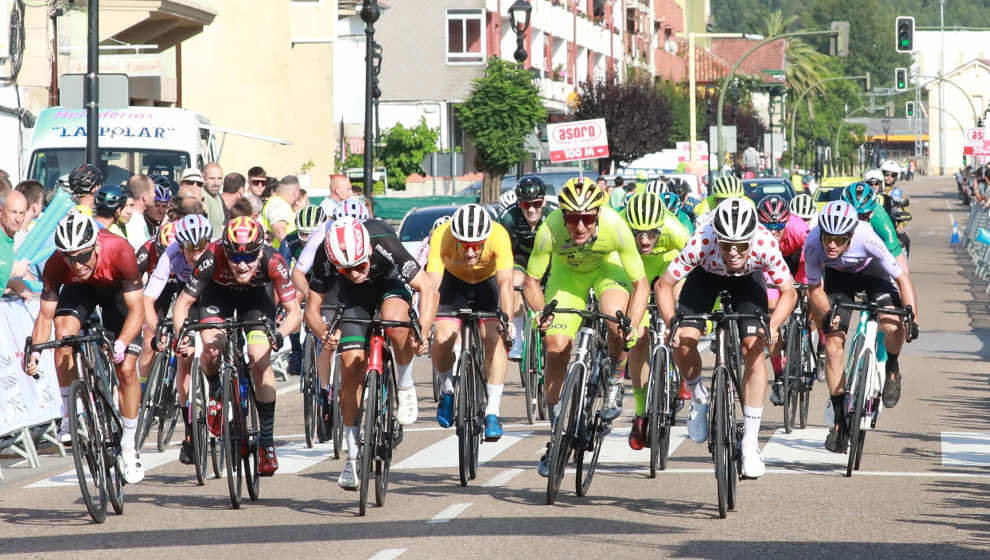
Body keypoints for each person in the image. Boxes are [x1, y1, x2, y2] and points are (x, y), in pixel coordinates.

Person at [656, 199, 797, 478]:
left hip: (747, 282)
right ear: (716, 237)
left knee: (754, 347)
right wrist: (672, 323)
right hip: (705, 278)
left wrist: (775, 325)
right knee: (683, 340)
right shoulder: (702, 241)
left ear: (751, 240)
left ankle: (750, 444)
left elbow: (789, 292)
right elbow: (664, 285)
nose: (733, 253)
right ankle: (698, 396)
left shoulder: (765, 244)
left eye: (741, 246)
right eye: (726, 245)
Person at [525, 178, 649, 476]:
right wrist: (541, 312)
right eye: (572, 219)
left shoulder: (615, 227)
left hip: (608, 269)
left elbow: (640, 284)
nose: (579, 227)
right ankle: (557, 435)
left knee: (615, 321)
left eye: (587, 219)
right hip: (568, 278)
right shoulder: (550, 229)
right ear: (563, 215)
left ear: (598, 214)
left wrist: (631, 323)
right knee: (555, 347)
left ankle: (616, 379)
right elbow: (531, 281)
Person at [304, 216, 436, 489]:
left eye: (360, 265)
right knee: (351, 366)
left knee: (396, 323)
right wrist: (323, 334)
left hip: (389, 284)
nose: (355, 273)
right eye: (346, 269)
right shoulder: (326, 254)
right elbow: (312, 310)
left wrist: (422, 330)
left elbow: (428, 288)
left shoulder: (381, 239)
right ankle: (352, 457)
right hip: (354, 300)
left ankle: (404, 383)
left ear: (367, 251)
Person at [171, 217, 301, 476]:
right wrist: (181, 337)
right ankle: (217, 390)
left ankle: (266, 443)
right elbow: (183, 304)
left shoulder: (273, 261)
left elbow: (294, 312)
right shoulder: (211, 256)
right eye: (234, 258)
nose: (242, 265)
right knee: (210, 347)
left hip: (256, 301)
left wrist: (279, 333)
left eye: (249, 258)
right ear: (225, 251)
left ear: (260, 250)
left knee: (259, 358)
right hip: (218, 297)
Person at [25, 212, 145, 483]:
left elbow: (137, 311)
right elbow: (45, 317)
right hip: (81, 291)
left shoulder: (120, 252)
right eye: (69, 257)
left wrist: (122, 342)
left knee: (126, 368)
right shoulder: (58, 264)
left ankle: (128, 443)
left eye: (81, 256)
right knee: (64, 335)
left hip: (116, 292)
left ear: (95, 246)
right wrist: (36, 349)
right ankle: (69, 414)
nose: (76, 264)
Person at [804, 201, 919, 453]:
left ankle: (892, 365)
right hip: (838, 281)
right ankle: (838, 420)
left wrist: (912, 315)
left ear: (851, 235)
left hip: (872, 274)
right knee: (833, 346)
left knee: (892, 325)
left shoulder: (866, 237)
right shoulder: (813, 244)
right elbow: (814, 288)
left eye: (839, 239)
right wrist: (826, 314)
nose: (832, 244)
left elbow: (901, 277)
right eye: (828, 238)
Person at [427, 204, 515, 440]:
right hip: (452, 283)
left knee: (493, 339)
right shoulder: (442, 235)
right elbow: (433, 283)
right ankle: (447, 389)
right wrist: (425, 324)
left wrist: (507, 320)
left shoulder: (498, 235)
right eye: (464, 245)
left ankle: (493, 413)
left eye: (476, 246)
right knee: (443, 337)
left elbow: (506, 283)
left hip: (487, 284)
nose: (469, 253)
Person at [143, 214, 212, 465]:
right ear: (180, 245)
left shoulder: (214, 252)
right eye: (189, 249)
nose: (194, 254)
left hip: (213, 296)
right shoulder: (170, 253)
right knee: (184, 356)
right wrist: (158, 332)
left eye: (200, 248)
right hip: (187, 298)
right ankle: (191, 432)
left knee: (218, 344)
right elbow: (148, 300)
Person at [622, 192, 689, 449]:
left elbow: (697, 266)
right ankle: (640, 414)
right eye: (638, 232)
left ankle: (677, 372)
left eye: (651, 232)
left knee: (675, 301)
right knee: (638, 338)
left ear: (661, 226)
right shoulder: (620, 227)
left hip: (666, 270)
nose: (644, 239)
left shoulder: (676, 231)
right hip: (636, 272)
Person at [755, 195, 810, 406]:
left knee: (812, 297)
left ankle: (811, 343)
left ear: (787, 221)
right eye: (768, 225)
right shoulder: (757, 235)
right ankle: (779, 375)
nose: (774, 230)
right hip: (771, 262)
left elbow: (812, 254)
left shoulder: (798, 228)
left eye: (779, 225)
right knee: (770, 311)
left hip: (798, 260)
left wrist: (805, 284)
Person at [497, 176, 556, 359]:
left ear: (544, 201)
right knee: (514, 281)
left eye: (537, 204)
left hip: (548, 262)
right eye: (525, 205)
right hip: (521, 260)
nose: (531, 209)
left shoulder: (554, 216)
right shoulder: (509, 219)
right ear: (518, 204)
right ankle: (519, 339)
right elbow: (503, 252)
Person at [261, 176, 300, 249]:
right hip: (280, 256)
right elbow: (280, 232)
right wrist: (293, 252)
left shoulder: (279, 203)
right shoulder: (278, 204)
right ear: (295, 193)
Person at [124, 175, 155, 249]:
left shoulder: (138, 218)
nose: (155, 195)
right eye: (154, 192)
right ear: (144, 196)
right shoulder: (133, 222)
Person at [202, 163, 227, 235]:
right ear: (204, 178)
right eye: (212, 178)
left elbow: (220, 226)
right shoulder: (202, 197)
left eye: (219, 178)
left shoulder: (218, 197)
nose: (216, 183)